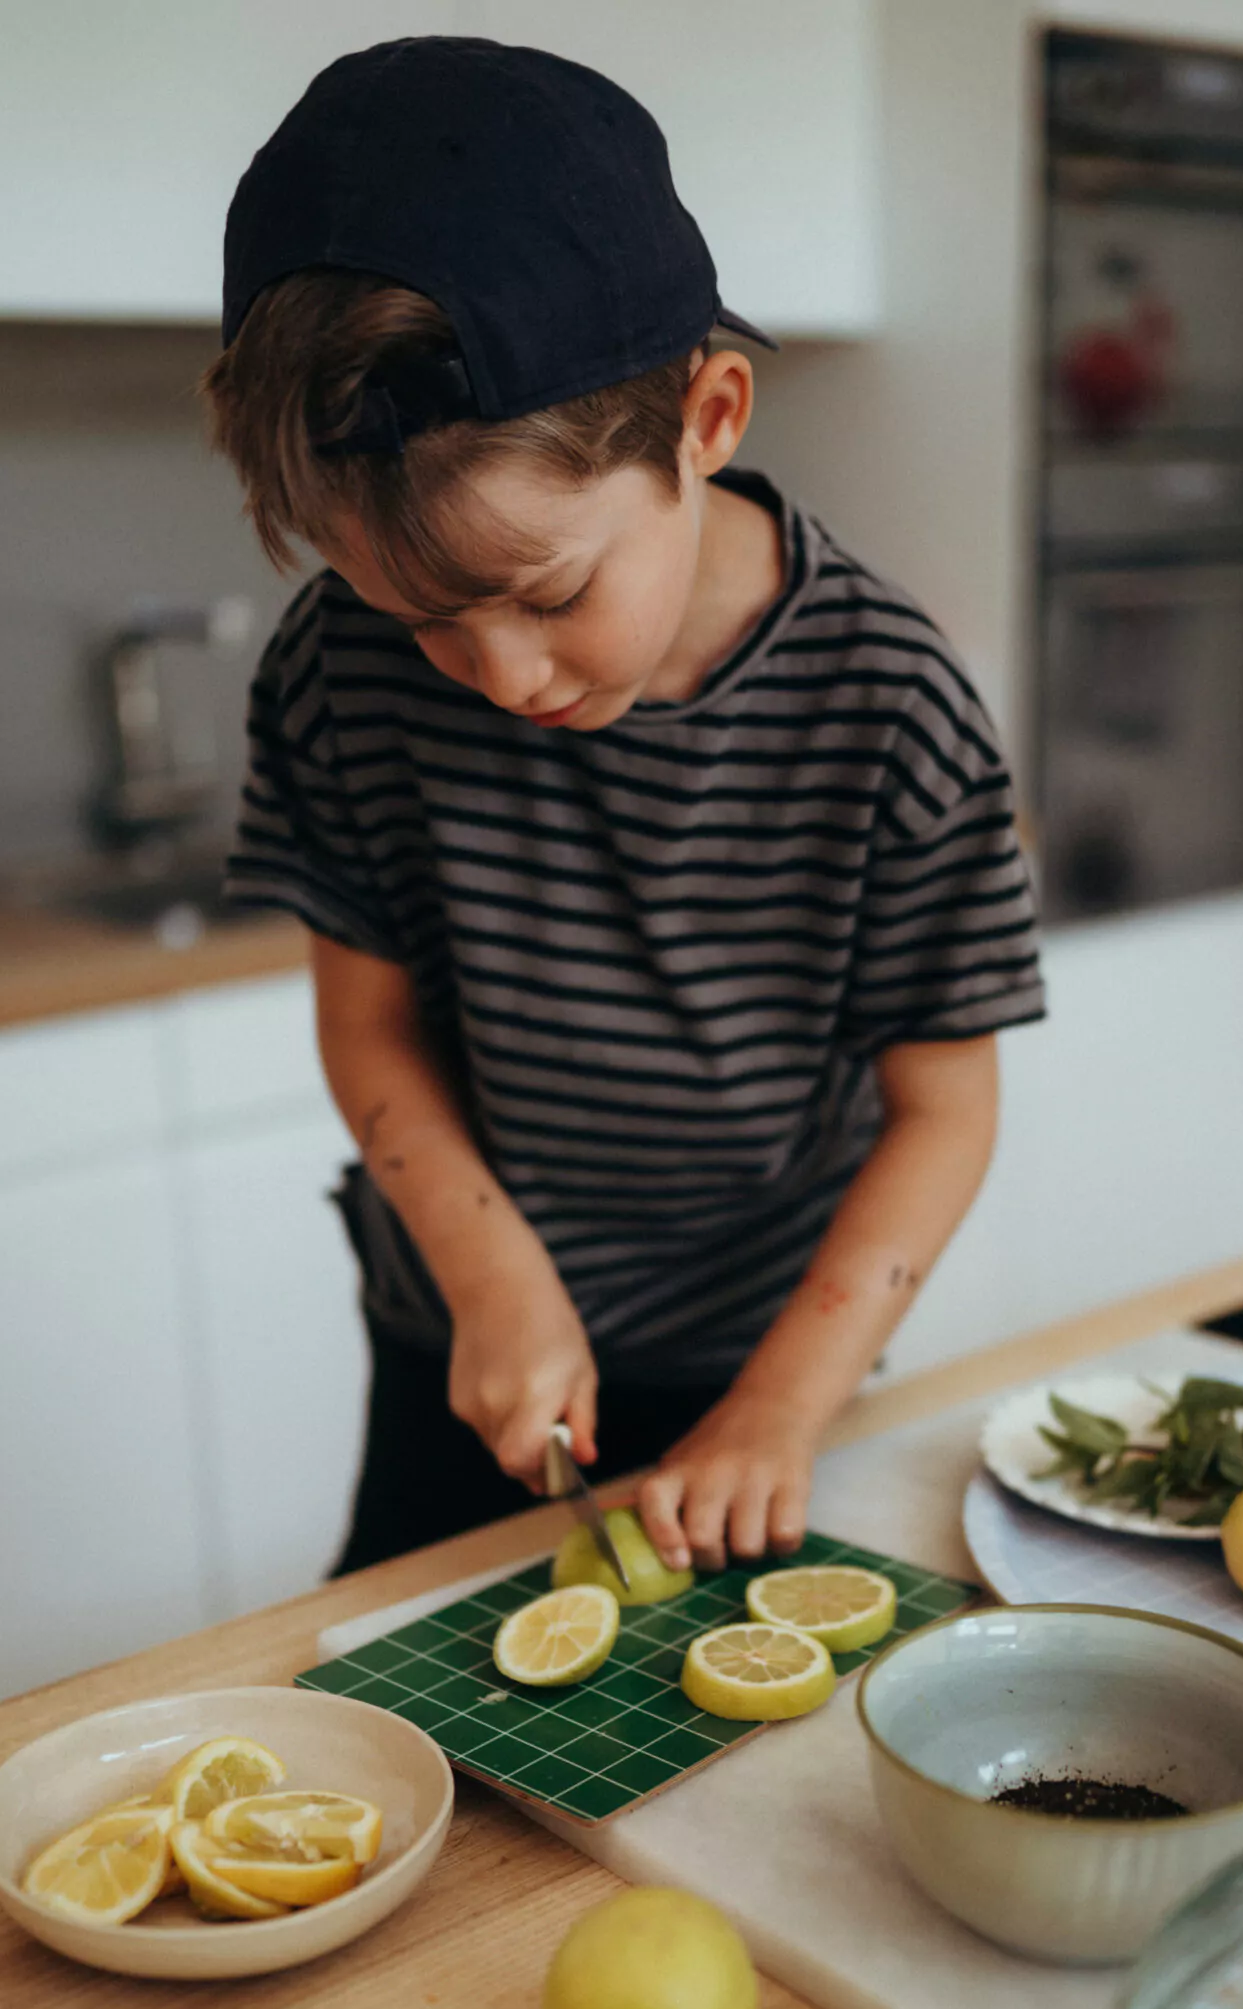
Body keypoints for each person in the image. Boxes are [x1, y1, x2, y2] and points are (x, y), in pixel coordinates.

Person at [205, 36, 1045, 1580]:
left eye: (551, 594)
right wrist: (491, 1276)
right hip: (464, 1331)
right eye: (421, 622)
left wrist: (780, 1410)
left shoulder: (889, 701)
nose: (497, 677)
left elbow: (946, 1110)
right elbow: (369, 1024)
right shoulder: (340, 672)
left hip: (768, 1353)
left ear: (708, 419)